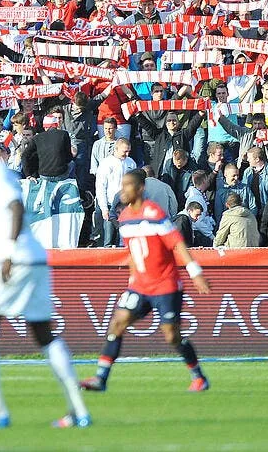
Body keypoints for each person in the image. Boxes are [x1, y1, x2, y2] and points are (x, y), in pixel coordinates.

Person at [0, 126, 90, 431]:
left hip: (13, 258)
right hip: (33, 258)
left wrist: (5, 252)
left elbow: (16, 207)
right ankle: (79, 411)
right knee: (44, 334)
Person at [80, 169, 211, 396]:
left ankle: (198, 376)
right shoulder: (124, 218)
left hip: (165, 284)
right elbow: (133, 253)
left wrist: (194, 271)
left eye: (127, 186)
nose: (123, 191)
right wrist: (132, 279)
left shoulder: (155, 213)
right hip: (140, 286)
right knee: (117, 323)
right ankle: (101, 378)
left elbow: (176, 244)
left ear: (140, 189)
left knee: (171, 335)